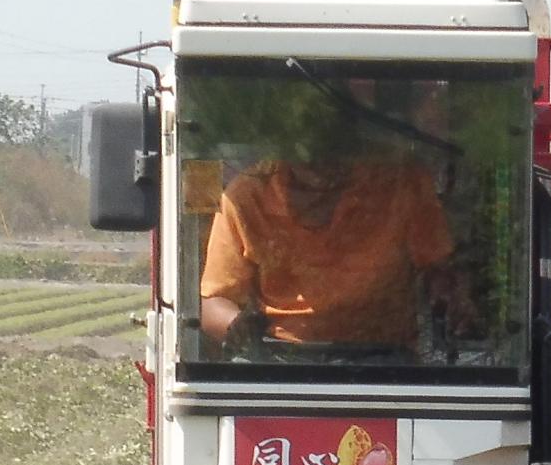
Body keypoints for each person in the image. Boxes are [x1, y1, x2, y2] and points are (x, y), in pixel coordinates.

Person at [198, 104, 462, 352]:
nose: (318, 167)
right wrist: (239, 329)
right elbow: (214, 303)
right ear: (281, 149)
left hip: (385, 357)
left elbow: (438, 269)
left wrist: (453, 304)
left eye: (329, 152)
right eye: (304, 155)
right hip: (279, 358)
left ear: (351, 144)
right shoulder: (247, 196)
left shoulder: (400, 185)